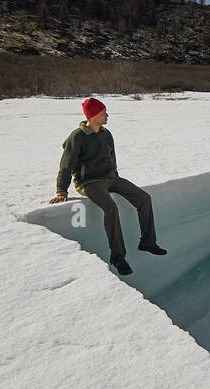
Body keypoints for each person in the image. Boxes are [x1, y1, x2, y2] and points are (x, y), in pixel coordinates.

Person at [48, 97, 166, 276]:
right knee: (111, 208)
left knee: (144, 198)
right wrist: (61, 191)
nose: (107, 115)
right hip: (88, 182)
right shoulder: (77, 137)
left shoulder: (106, 134)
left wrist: (115, 177)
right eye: (104, 113)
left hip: (110, 178)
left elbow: (112, 158)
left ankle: (148, 242)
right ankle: (118, 257)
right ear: (93, 115)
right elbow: (66, 166)